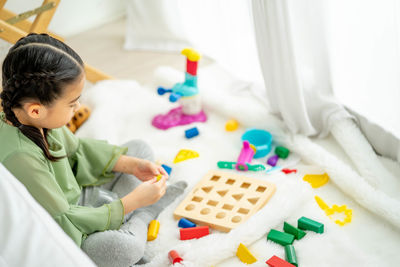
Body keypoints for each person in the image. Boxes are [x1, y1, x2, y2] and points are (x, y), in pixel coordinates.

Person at [0, 33, 187, 267]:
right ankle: (144, 216)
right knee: (123, 249)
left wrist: (130, 165)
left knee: (140, 149)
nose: (79, 106)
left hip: (83, 196)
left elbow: (78, 150)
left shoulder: (34, 118)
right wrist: (133, 204)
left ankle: (125, 216)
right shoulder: (20, 156)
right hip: (72, 229)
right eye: (72, 103)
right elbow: (64, 220)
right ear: (36, 110)